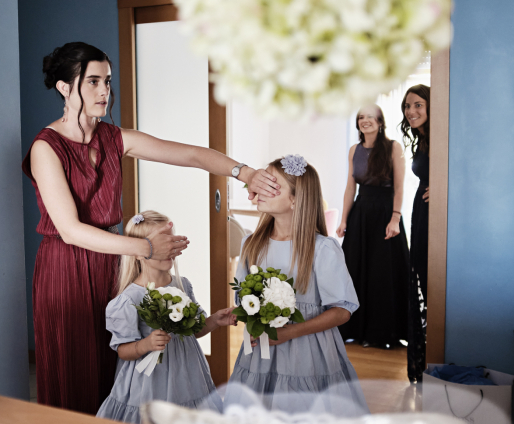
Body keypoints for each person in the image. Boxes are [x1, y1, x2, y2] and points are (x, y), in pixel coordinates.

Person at [21, 42, 277, 413]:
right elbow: (71, 230)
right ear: (65, 88)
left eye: (107, 81)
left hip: (115, 265)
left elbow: (190, 154)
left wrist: (245, 172)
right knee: (75, 374)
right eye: (92, 82)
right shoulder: (46, 147)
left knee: (124, 366)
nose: (104, 91)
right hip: (66, 269)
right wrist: (147, 250)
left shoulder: (114, 138)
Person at [228, 155, 368, 412]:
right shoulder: (251, 244)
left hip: (309, 354)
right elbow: (242, 298)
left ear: (294, 199)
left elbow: (342, 310)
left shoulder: (323, 249)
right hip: (260, 353)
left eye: (271, 184)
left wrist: (288, 332)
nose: (258, 189)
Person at [96, 211, 236, 423]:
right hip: (151, 382)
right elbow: (123, 350)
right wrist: (146, 344)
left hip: (188, 376)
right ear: (139, 252)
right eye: (163, 245)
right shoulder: (129, 300)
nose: (170, 250)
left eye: (172, 242)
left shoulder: (182, 285)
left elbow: (193, 330)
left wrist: (215, 320)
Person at [336, 105, 409, 348]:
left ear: (380, 122)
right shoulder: (354, 150)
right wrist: (344, 219)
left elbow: (399, 188)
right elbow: (350, 188)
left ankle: (381, 333)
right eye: (360, 117)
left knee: (381, 274)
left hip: (386, 214)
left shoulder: (393, 147)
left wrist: (395, 218)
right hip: (361, 213)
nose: (365, 121)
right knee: (355, 270)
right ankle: (355, 330)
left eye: (370, 117)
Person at [400, 84, 431, 383]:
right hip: (420, 213)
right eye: (408, 106)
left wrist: (447, 185)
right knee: (421, 276)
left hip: (434, 216)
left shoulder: (440, 136)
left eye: (418, 105)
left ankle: (434, 360)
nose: (411, 111)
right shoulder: (421, 140)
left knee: (431, 283)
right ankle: (425, 361)